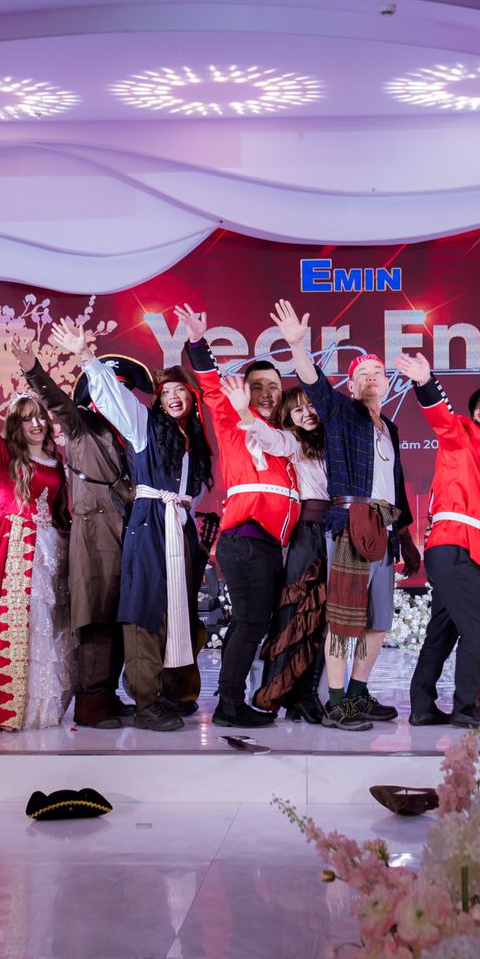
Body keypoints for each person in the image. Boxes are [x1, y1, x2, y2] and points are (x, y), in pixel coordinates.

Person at [52, 318, 213, 733]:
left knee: (174, 609)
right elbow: (116, 399)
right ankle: (146, 700)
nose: (174, 397)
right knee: (144, 609)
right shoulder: (145, 427)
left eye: (181, 391)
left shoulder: (193, 442)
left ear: (193, 398)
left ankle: (165, 689)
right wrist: (85, 356)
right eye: (167, 392)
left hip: (178, 525)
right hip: (149, 523)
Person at [270, 300, 418, 731]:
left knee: (379, 622)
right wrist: (297, 346)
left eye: (377, 372)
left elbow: (396, 486)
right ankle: (336, 704)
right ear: (351, 386)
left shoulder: (390, 428)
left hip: (385, 529)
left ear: (386, 383)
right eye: (362, 374)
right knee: (343, 621)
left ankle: (356, 694)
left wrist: (406, 536)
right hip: (350, 526)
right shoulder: (340, 413)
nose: (371, 378)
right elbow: (313, 383)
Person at [177, 304, 300, 729]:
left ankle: (232, 698)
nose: (266, 393)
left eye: (273, 386)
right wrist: (197, 342)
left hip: (266, 544)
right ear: (244, 392)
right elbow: (211, 385)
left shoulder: (287, 434)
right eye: (257, 386)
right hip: (246, 538)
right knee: (251, 621)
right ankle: (229, 705)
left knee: (252, 621)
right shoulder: (233, 419)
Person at [21, 343, 147, 730]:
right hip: (94, 533)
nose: (116, 396)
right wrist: (33, 370)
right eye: (109, 388)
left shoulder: (133, 432)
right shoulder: (81, 424)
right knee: (96, 617)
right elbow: (56, 403)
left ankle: (108, 695)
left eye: (122, 389)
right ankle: (91, 703)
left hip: (128, 530)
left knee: (120, 616)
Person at [396, 352, 480, 730]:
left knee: (442, 631)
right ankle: (465, 708)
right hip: (451, 544)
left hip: (464, 549)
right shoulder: (461, 433)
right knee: (476, 630)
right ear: (478, 414)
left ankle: (422, 706)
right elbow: (440, 415)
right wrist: (425, 381)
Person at [0, 377, 72, 731]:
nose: (36, 424)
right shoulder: (7, 453)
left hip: (48, 548)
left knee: (46, 624)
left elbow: (60, 510)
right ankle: (7, 708)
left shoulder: (56, 460)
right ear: (16, 425)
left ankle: (39, 707)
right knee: (15, 625)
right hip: (13, 545)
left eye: (40, 417)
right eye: (26, 419)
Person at [231, 382, 331, 722]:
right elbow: (271, 439)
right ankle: (276, 694)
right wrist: (244, 412)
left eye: (310, 406)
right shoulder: (293, 442)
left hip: (335, 532)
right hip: (308, 533)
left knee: (322, 619)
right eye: (298, 410)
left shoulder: (331, 441)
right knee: (295, 614)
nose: (307, 414)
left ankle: (306, 696)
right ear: (289, 418)